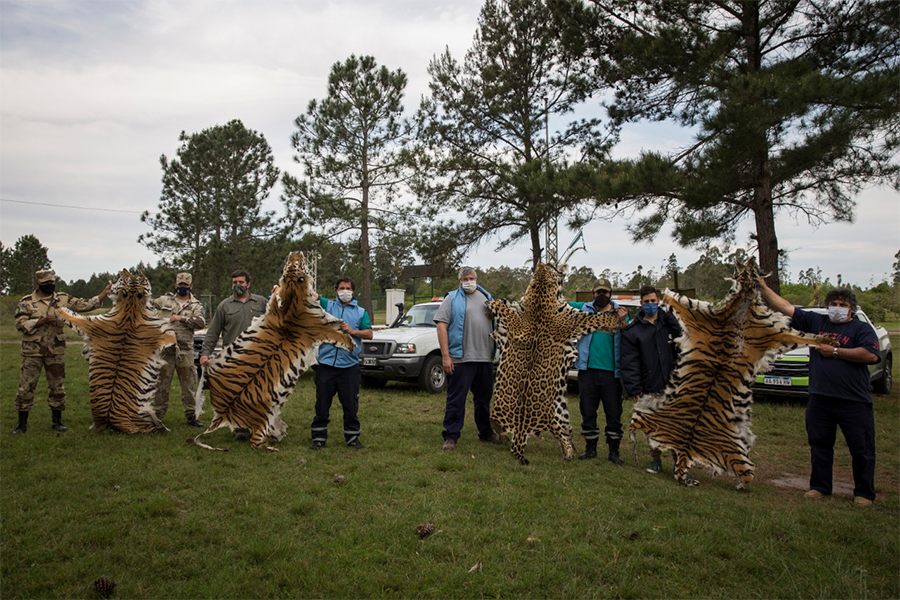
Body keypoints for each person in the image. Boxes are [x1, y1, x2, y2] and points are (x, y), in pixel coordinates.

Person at [758, 279, 880, 506]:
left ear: (851, 308)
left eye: (842, 304)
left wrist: (835, 351)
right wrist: (763, 287)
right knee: (819, 445)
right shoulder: (818, 322)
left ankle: (864, 493)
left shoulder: (861, 329)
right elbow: (785, 307)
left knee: (861, 448)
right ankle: (820, 487)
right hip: (820, 397)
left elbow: (870, 355)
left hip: (853, 401)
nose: (837, 307)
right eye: (833, 303)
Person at [12, 269, 111, 434]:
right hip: (33, 352)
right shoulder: (27, 302)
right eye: (46, 284)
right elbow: (20, 324)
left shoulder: (63, 299)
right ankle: (21, 424)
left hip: (55, 350)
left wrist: (104, 293)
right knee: (26, 387)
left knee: (57, 387)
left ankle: (57, 421)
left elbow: (85, 305)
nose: (50, 286)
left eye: (52, 283)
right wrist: (41, 321)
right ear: (38, 284)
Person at [620, 285, 683, 475]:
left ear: (658, 302)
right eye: (646, 302)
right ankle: (655, 459)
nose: (650, 305)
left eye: (653, 301)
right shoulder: (633, 331)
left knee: (675, 425)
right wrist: (634, 389)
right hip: (649, 385)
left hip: (672, 385)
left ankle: (678, 461)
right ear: (641, 303)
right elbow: (629, 363)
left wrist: (669, 315)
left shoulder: (668, 324)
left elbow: (683, 340)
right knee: (652, 426)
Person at [199, 269, 267, 440]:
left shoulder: (261, 303)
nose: (238, 285)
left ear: (248, 284)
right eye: (235, 282)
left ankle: (261, 424)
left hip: (257, 356)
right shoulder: (224, 306)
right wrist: (205, 353)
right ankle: (241, 427)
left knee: (260, 392)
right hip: (233, 357)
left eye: (241, 282)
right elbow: (213, 332)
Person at [435, 266, 498, 451]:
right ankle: (451, 436)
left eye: (471, 278)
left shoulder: (487, 298)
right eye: (465, 279)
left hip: (485, 358)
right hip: (460, 359)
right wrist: (446, 356)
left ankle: (486, 433)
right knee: (456, 399)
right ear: (459, 281)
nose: (468, 281)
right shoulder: (451, 299)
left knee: (483, 399)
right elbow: (441, 327)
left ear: (476, 279)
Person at [309, 277, 373, 451]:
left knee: (350, 405)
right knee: (322, 404)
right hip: (326, 366)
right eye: (341, 288)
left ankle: (352, 438)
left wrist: (352, 331)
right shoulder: (328, 306)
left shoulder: (361, 312)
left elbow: (369, 334)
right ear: (336, 290)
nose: (345, 291)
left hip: (349, 367)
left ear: (353, 291)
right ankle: (319, 438)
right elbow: (310, 294)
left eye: (348, 288)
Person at [570, 278, 629, 463]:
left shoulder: (619, 312)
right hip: (587, 370)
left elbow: (629, 335)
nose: (601, 296)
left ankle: (614, 451)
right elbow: (560, 304)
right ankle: (590, 448)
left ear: (610, 294)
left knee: (614, 413)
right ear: (593, 294)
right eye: (598, 292)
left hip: (612, 373)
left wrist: (622, 321)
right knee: (588, 410)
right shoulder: (584, 309)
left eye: (605, 293)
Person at [151, 272, 206, 427]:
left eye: (185, 285)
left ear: (190, 286)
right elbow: (147, 306)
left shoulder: (196, 305)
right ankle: (157, 416)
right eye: (180, 284)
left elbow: (201, 322)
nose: (182, 287)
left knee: (188, 386)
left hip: (185, 350)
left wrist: (181, 318)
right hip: (165, 350)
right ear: (176, 285)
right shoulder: (164, 300)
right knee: (161, 385)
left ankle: (191, 417)